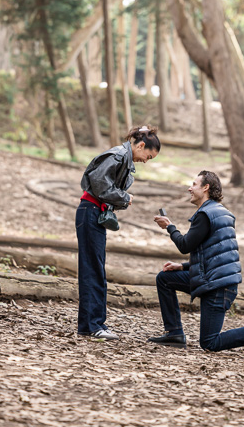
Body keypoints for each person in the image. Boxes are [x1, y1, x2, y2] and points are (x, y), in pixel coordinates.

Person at [148, 170, 244, 356]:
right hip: (213, 279)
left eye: (194, 184)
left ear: (206, 187)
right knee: (165, 278)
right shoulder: (221, 212)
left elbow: (185, 245)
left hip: (218, 286)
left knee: (210, 342)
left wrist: (170, 227)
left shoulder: (205, 214)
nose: (190, 188)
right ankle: (174, 334)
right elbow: (215, 254)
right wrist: (183, 267)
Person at [76, 125, 161, 340]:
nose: (145, 161)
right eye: (148, 156)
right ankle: (95, 325)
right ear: (141, 146)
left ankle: (89, 325)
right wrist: (124, 198)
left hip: (95, 213)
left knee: (94, 268)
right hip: (91, 212)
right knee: (94, 270)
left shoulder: (124, 157)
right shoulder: (119, 155)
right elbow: (98, 182)